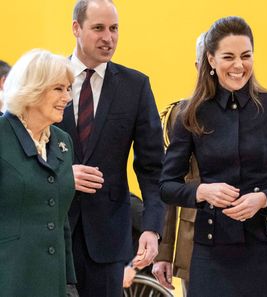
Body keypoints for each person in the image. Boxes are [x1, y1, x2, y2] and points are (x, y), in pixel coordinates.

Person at [160, 16, 267, 297]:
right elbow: (167, 186)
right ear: (210, 60)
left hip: (265, 249)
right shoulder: (190, 113)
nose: (239, 66)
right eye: (228, 57)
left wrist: (263, 199)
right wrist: (203, 191)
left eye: (246, 56)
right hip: (210, 253)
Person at [56, 1, 165, 296]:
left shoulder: (135, 86)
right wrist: (64, 175)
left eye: (114, 28)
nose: (109, 38)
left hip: (108, 241)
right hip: (51, 232)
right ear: (76, 28)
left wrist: (152, 228)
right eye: (98, 28)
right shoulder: (49, 79)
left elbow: (154, 167)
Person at [0, 49, 77, 297]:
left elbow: (60, 216)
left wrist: (68, 283)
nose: (67, 97)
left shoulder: (63, 142)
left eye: (68, 89)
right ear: (32, 89)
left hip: (52, 282)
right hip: (9, 278)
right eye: (58, 89)